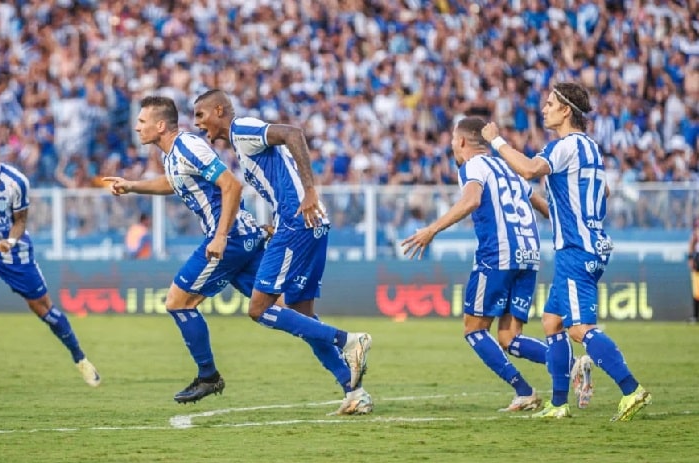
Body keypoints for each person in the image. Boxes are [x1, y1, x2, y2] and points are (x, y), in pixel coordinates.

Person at [193, 89, 373, 415]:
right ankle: (354, 391)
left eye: (201, 116)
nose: (198, 124)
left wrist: (310, 190)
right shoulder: (242, 144)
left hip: (299, 221)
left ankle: (349, 340)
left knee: (259, 309)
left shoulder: (242, 129)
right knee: (301, 315)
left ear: (219, 109)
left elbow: (293, 133)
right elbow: (281, 179)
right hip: (307, 222)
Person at [481, 82, 651, 421]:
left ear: (566, 111)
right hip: (586, 243)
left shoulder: (566, 145)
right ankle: (558, 404)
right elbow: (600, 194)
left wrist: (496, 140)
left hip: (577, 248)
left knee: (578, 328)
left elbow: (530, 169)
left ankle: (632, 389)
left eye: (549, 104)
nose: (543, 109)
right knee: (551, 322)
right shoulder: (590, 148)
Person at [104, 95, 265, 403]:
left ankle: (208, 376)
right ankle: (345, 349)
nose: (137, 128)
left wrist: (219, 237)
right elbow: (173, 183)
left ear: (160, 125)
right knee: (278, 306)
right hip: (238, 237)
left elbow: (231, 185)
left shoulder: (189, 146)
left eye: (141, 122)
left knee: (178, 302)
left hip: (227, 240)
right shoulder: (173, 155)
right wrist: (132, 185)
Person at [401, 116, 553, 412]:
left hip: (498, 253)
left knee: (474, 330)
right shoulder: (510, 166)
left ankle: (523, 390)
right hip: (530, 254)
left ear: (461, 142)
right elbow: (544, 208)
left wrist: (432, 229)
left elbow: (471, 200)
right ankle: (570, 364)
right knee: (510, 338)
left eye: (452, 141)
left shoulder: (473, 166)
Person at [0, 124, 100, 391]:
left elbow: (20, 221)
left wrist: (9, 241)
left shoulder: (15, 182)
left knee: (43, 308)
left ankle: (81, 359)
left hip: (15, 253)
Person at [688, 218, 699, 324]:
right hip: (698, 263)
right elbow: (691, 244)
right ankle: (696, 316)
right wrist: (691, 258)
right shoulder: (695, 234)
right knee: (697, 292)